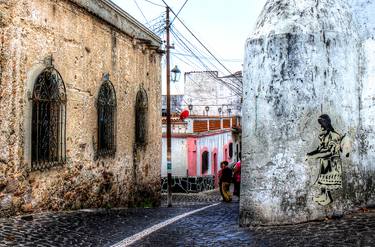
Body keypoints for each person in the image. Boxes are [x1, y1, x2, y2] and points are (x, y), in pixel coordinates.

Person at [306, 114, 343, 206]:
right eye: (320, 124)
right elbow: (319, 149)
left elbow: (330, 152)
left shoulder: (334, 136)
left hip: (332, 162)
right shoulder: (324, 136)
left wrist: (314, 156)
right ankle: (324, 195)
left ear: (327, 123)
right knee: (323, 180)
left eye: (322, 124)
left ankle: (328, 198)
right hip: (325, 161)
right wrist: (310, 154)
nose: (321, 126)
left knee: (327, 182)